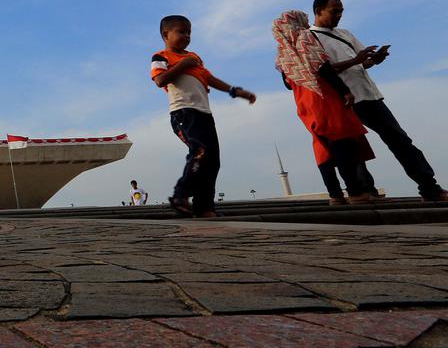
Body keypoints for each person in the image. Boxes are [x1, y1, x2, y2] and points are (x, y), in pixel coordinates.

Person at [311, 0, 448, 202]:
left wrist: (374, 59)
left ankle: (429, 187)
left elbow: (361, 62)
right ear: (319, 10)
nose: (338, 15)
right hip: (343, 100)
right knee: (353, 149)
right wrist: (355, 59)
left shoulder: (344, 33)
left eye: (341, 11)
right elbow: (322, 71)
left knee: (400, 140)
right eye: (334, 11)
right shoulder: (311, 38)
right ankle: (366, 192)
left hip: (369, 95)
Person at [151, 15, 256, 218]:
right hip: (184, 113)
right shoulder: (161, 56)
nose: (187, 36)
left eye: (189, 32)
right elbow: (160, 80)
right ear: (166, 34)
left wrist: (235, 91)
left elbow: (209, 78)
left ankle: (205, 206)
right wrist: (183, 64)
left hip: (204, 114)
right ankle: (180, 195)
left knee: (213, 160)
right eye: (181, 31)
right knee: (200, 150)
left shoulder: (194, 57)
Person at [274, 11, 374, 204]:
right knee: (342, 143)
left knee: (323, 148)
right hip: (324, 97)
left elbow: (287, 83)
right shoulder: (305, 38)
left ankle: (335, 195)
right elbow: (323, 67)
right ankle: (355, 192)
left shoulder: (282, 50)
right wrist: (345, 90)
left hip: (304, 101)